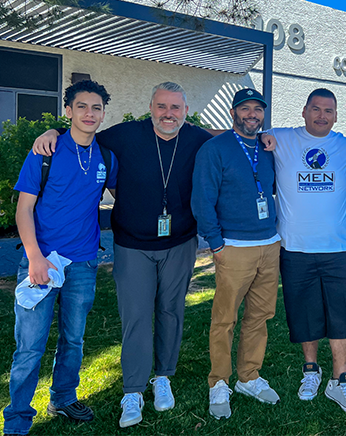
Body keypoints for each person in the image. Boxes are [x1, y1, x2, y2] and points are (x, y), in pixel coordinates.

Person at [31, 82, 273, 428]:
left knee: (171, 312)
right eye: (162, 107)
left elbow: (232, 135)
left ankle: (163, 378)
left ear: (186, 112)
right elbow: (84, 131)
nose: (168, 114)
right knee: (136, 317)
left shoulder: (197, 139)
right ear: (150, 107)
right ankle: (133, 389)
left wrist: (265, 136)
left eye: (176, 108)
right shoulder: (125, 135)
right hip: (132, 245)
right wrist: (53, 129)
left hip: (180, 243)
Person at [3, 80, 117, 435]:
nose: (89, 114)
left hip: (83, 263)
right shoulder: (46, 151)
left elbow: (125, 196)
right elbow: (24, 210)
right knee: (29, 347)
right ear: (68, 110)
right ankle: (19, 418)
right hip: (41, 261)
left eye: (96, 108)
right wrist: (35, 258)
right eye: (81, 106)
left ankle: (63, 398)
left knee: (74, 339)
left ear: (102, 114)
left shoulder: (106, 156)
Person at [266, 88, 346, 415]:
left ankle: (340, 380)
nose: (321, 115)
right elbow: (238, 134)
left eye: (328, 110)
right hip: (294, 247)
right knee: (305, 313)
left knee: (343, 315)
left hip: (338, 248)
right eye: (316, 109)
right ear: (304, 111)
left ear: (336, 115)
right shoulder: (280, 139)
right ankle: (311, 370)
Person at [191, 89, 280, 420]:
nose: (252, 115)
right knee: (224, 318)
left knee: (260, 316)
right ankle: (219, 382)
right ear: (233, 112)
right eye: (245, 109)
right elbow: (202, 199)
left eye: (258, 109)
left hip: (269, 245)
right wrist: (216, 243)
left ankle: (249, 376)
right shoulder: (215, 149)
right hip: (233, 248)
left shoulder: (268, 148)